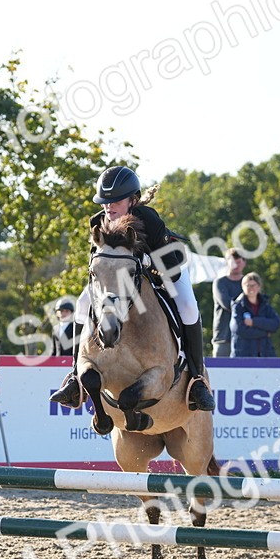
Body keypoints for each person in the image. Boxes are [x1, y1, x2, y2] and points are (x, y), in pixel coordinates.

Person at [49, 165, 216, 411]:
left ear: (133, 200)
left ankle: (197, 379)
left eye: (115, 201)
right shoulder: (98, 222)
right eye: (105, 202)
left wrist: (146, 262)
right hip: (121, 283)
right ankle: (75, 378)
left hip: (168, 269)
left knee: (189, 308)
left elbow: (170, 265)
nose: (108, 207)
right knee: (82, 304)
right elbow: (96, 265)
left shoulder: (149, 219)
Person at [230, 272, 280, 357]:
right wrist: (265, 333)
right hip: (242, 356)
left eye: (253, 285)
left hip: (265, 354)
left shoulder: (265, 305)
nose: (251, 288)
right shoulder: (238, 306)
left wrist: (254, 322)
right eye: (247, 285)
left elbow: (276, 323)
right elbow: (238, 329)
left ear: (259, 286)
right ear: (243, 287)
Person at [211, 248, 245, 357]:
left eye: (239, 261)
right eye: (233, 261)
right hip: (223, 338)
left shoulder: (250, 283)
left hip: (246, 339)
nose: (236, 265)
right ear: (227, 262)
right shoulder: (219, 283)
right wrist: (245, 297)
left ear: (244, 262)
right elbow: (227, 304)